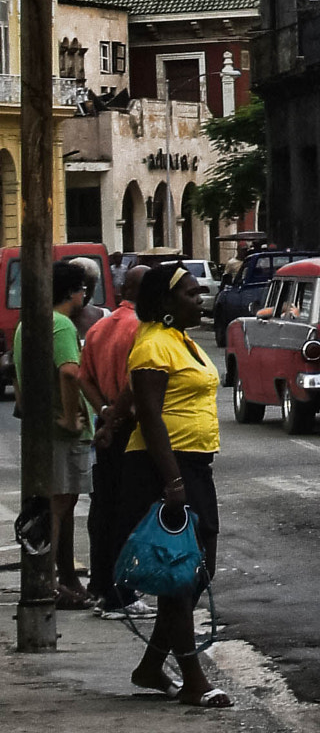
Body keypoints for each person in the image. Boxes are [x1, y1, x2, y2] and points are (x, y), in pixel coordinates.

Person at [118, 261, 231, 707]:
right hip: (162, 469)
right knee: (180, 578)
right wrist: (173, 482)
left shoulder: (178, 340)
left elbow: (129, 400)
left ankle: (151, 666)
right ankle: (193, 680)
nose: (198, 298)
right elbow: (148, 413)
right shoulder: (152, 345)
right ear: (164, 302)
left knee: (199, 572)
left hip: (193, 467)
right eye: (188, 293)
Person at [11, 258, 94, 609]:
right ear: (73, 292)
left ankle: (65, 576)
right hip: (61, 432)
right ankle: (48, 581)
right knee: (58, 505)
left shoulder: (28, 322)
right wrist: (73, 417)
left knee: (63, 502)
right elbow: (70, 372)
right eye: (83, 289)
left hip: (43, 425)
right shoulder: (60, 324)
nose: (85, 296)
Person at [80, 263, 151, 620]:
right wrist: (117, 415)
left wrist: (103, 412)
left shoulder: (98, 328)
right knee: (128, 509)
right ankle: (121, 592)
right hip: (130, 428)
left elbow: (83, 377)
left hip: (105, 422)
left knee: (103, 507)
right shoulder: (141, 328)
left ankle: (101, 586)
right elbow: (135, 382)